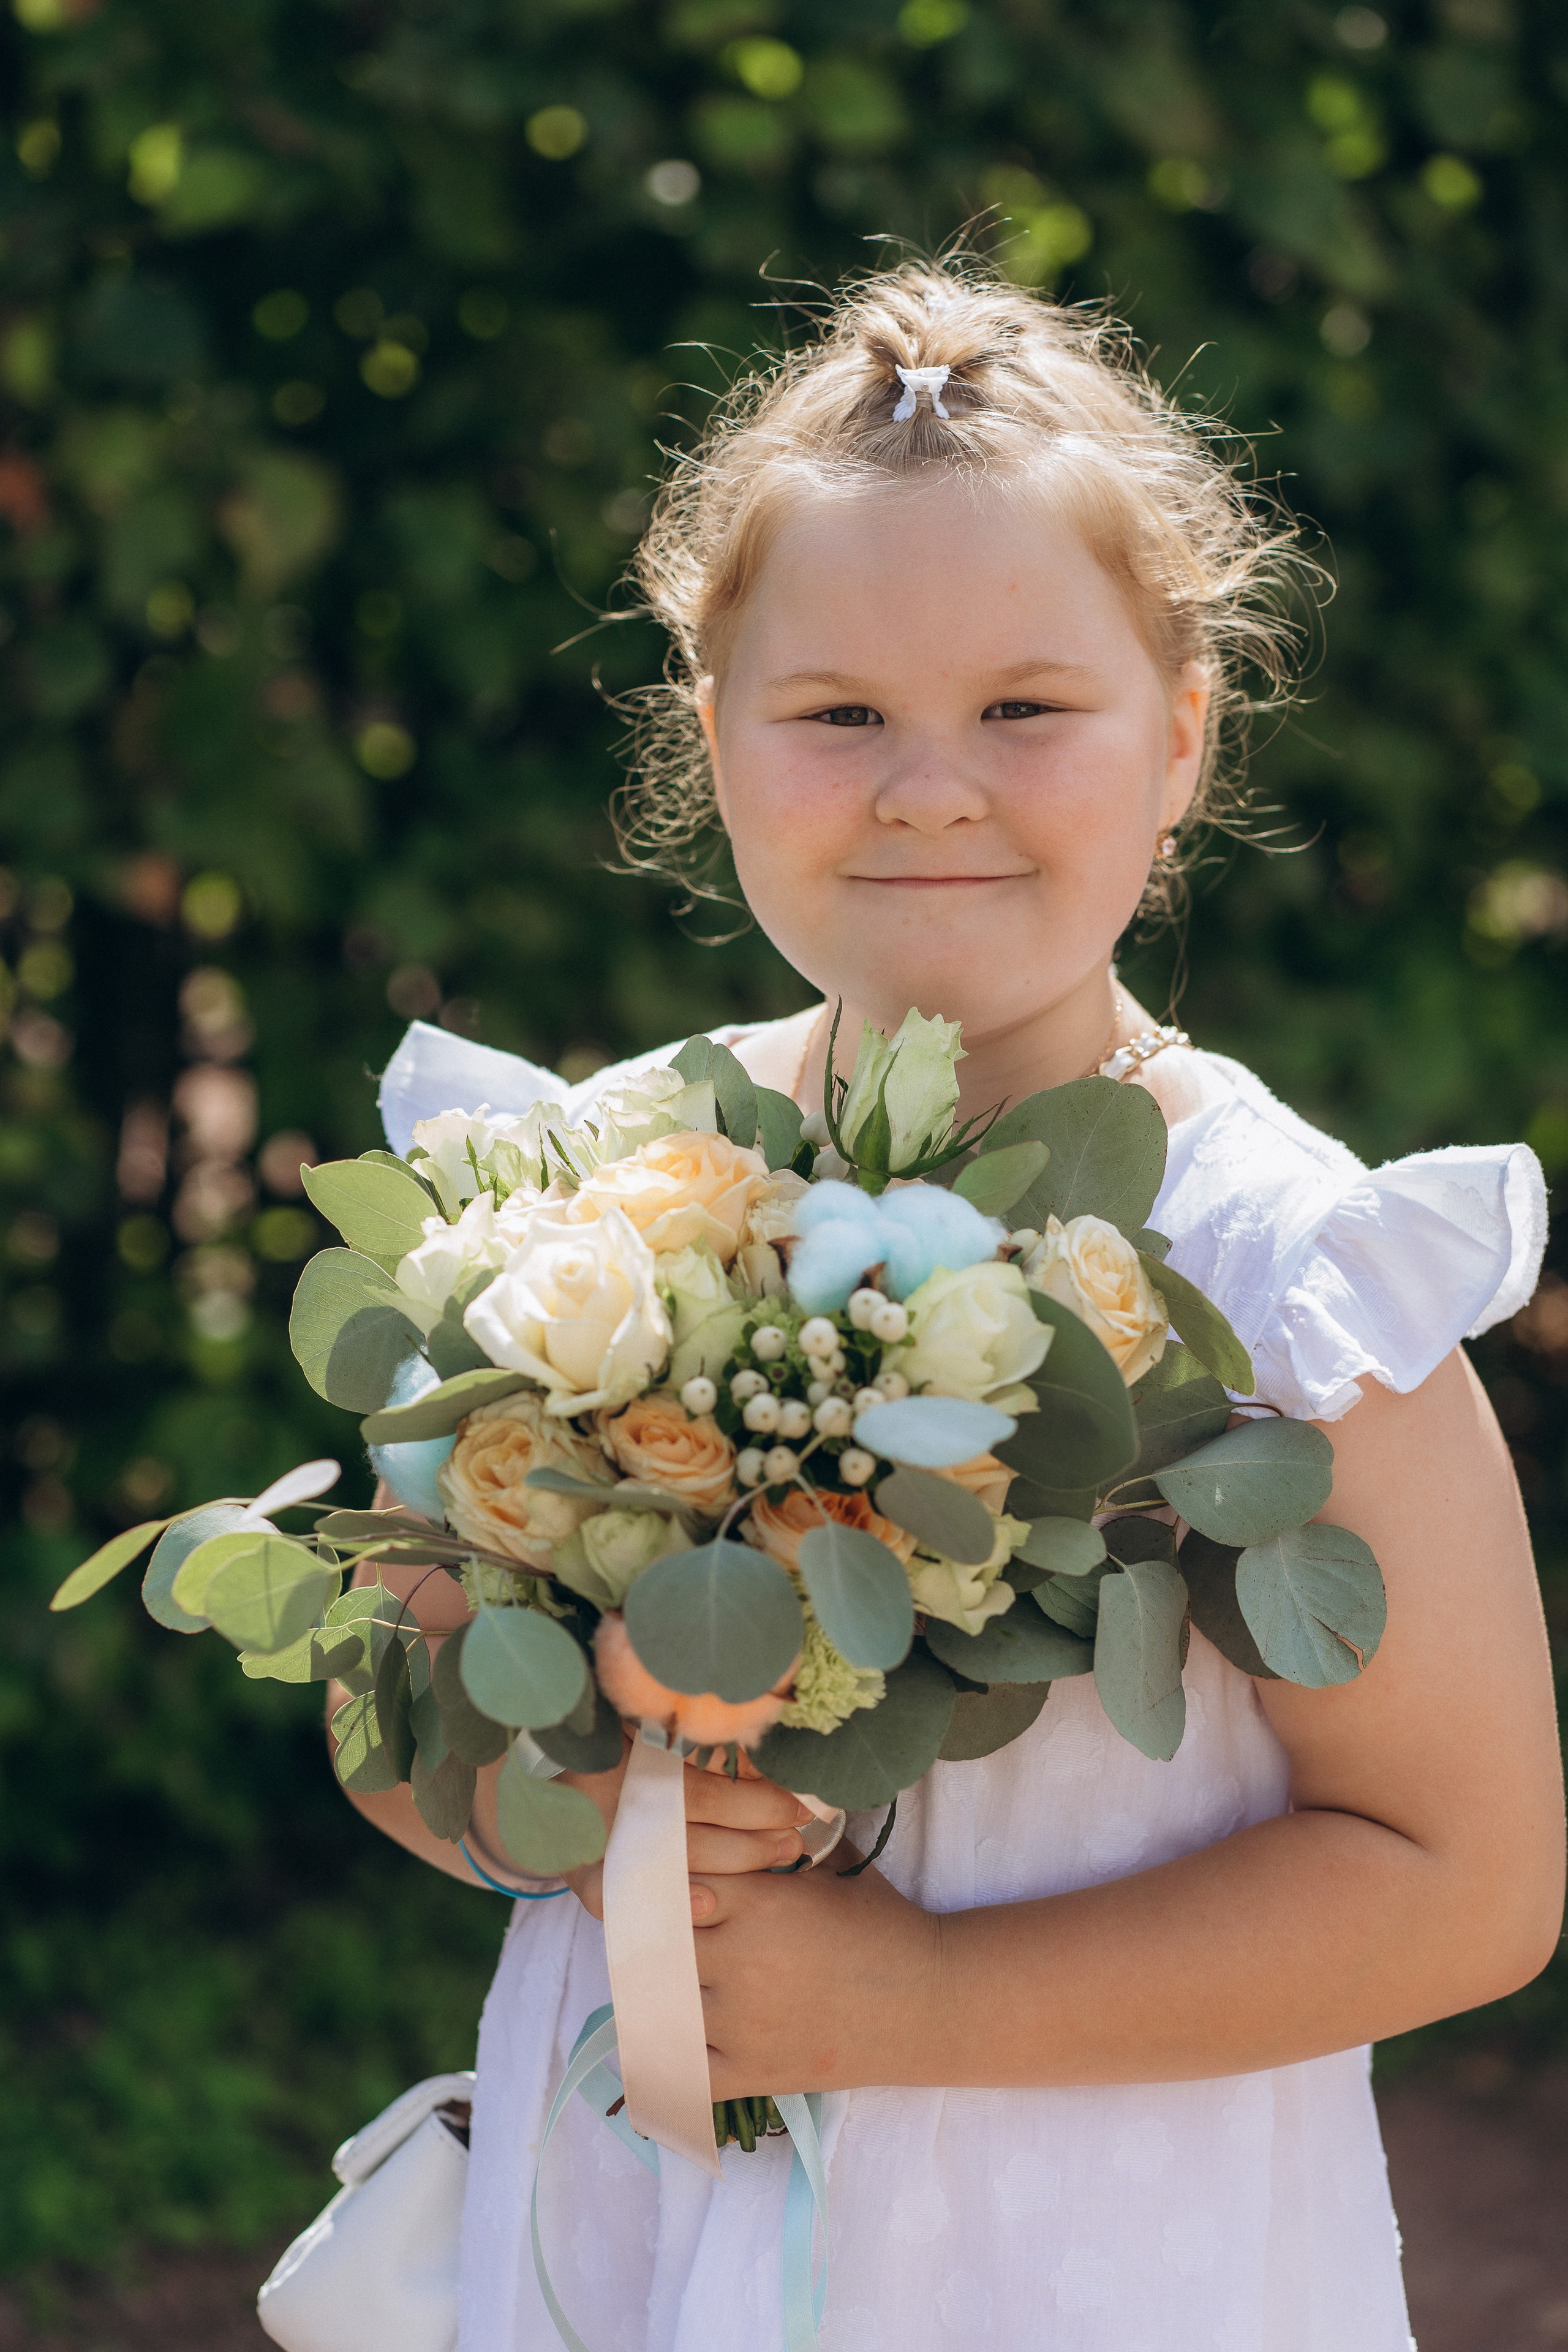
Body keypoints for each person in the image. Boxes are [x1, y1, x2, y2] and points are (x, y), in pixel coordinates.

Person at [332, 261, 1564, 2351]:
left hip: (1093, 2255)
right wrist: (582, 1772)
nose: (926, 788)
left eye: (1023, 708)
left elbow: (1469, 1878)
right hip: (639, 2232)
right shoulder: (596, 1195)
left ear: (1179, 740)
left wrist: (911, 1997)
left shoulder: (1288, 1278)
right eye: (836, 716)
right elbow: (403, 1729)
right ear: (711, 733)